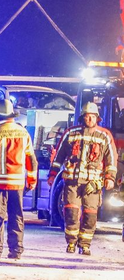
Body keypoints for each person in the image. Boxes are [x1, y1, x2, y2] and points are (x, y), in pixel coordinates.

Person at [47, 102, 118, 255]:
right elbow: (59, 156)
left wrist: (110, 178)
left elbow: (111, 159)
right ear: (82, 117)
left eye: (92, 116)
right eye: (87, 116)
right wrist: (52, 174)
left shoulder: (104, 136)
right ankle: (71, 243)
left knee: (90, 215)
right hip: (72, 182)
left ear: (97, 118)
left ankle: (85, 245)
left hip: (92, 185)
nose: (90, 119)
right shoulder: (70, 134)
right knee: (71, 213)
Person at [0, 100, 37, 259]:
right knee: (16, 216)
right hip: (17, 184)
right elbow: (31, 160)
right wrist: (31, 180)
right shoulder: (23, 132)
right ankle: (16, 250)